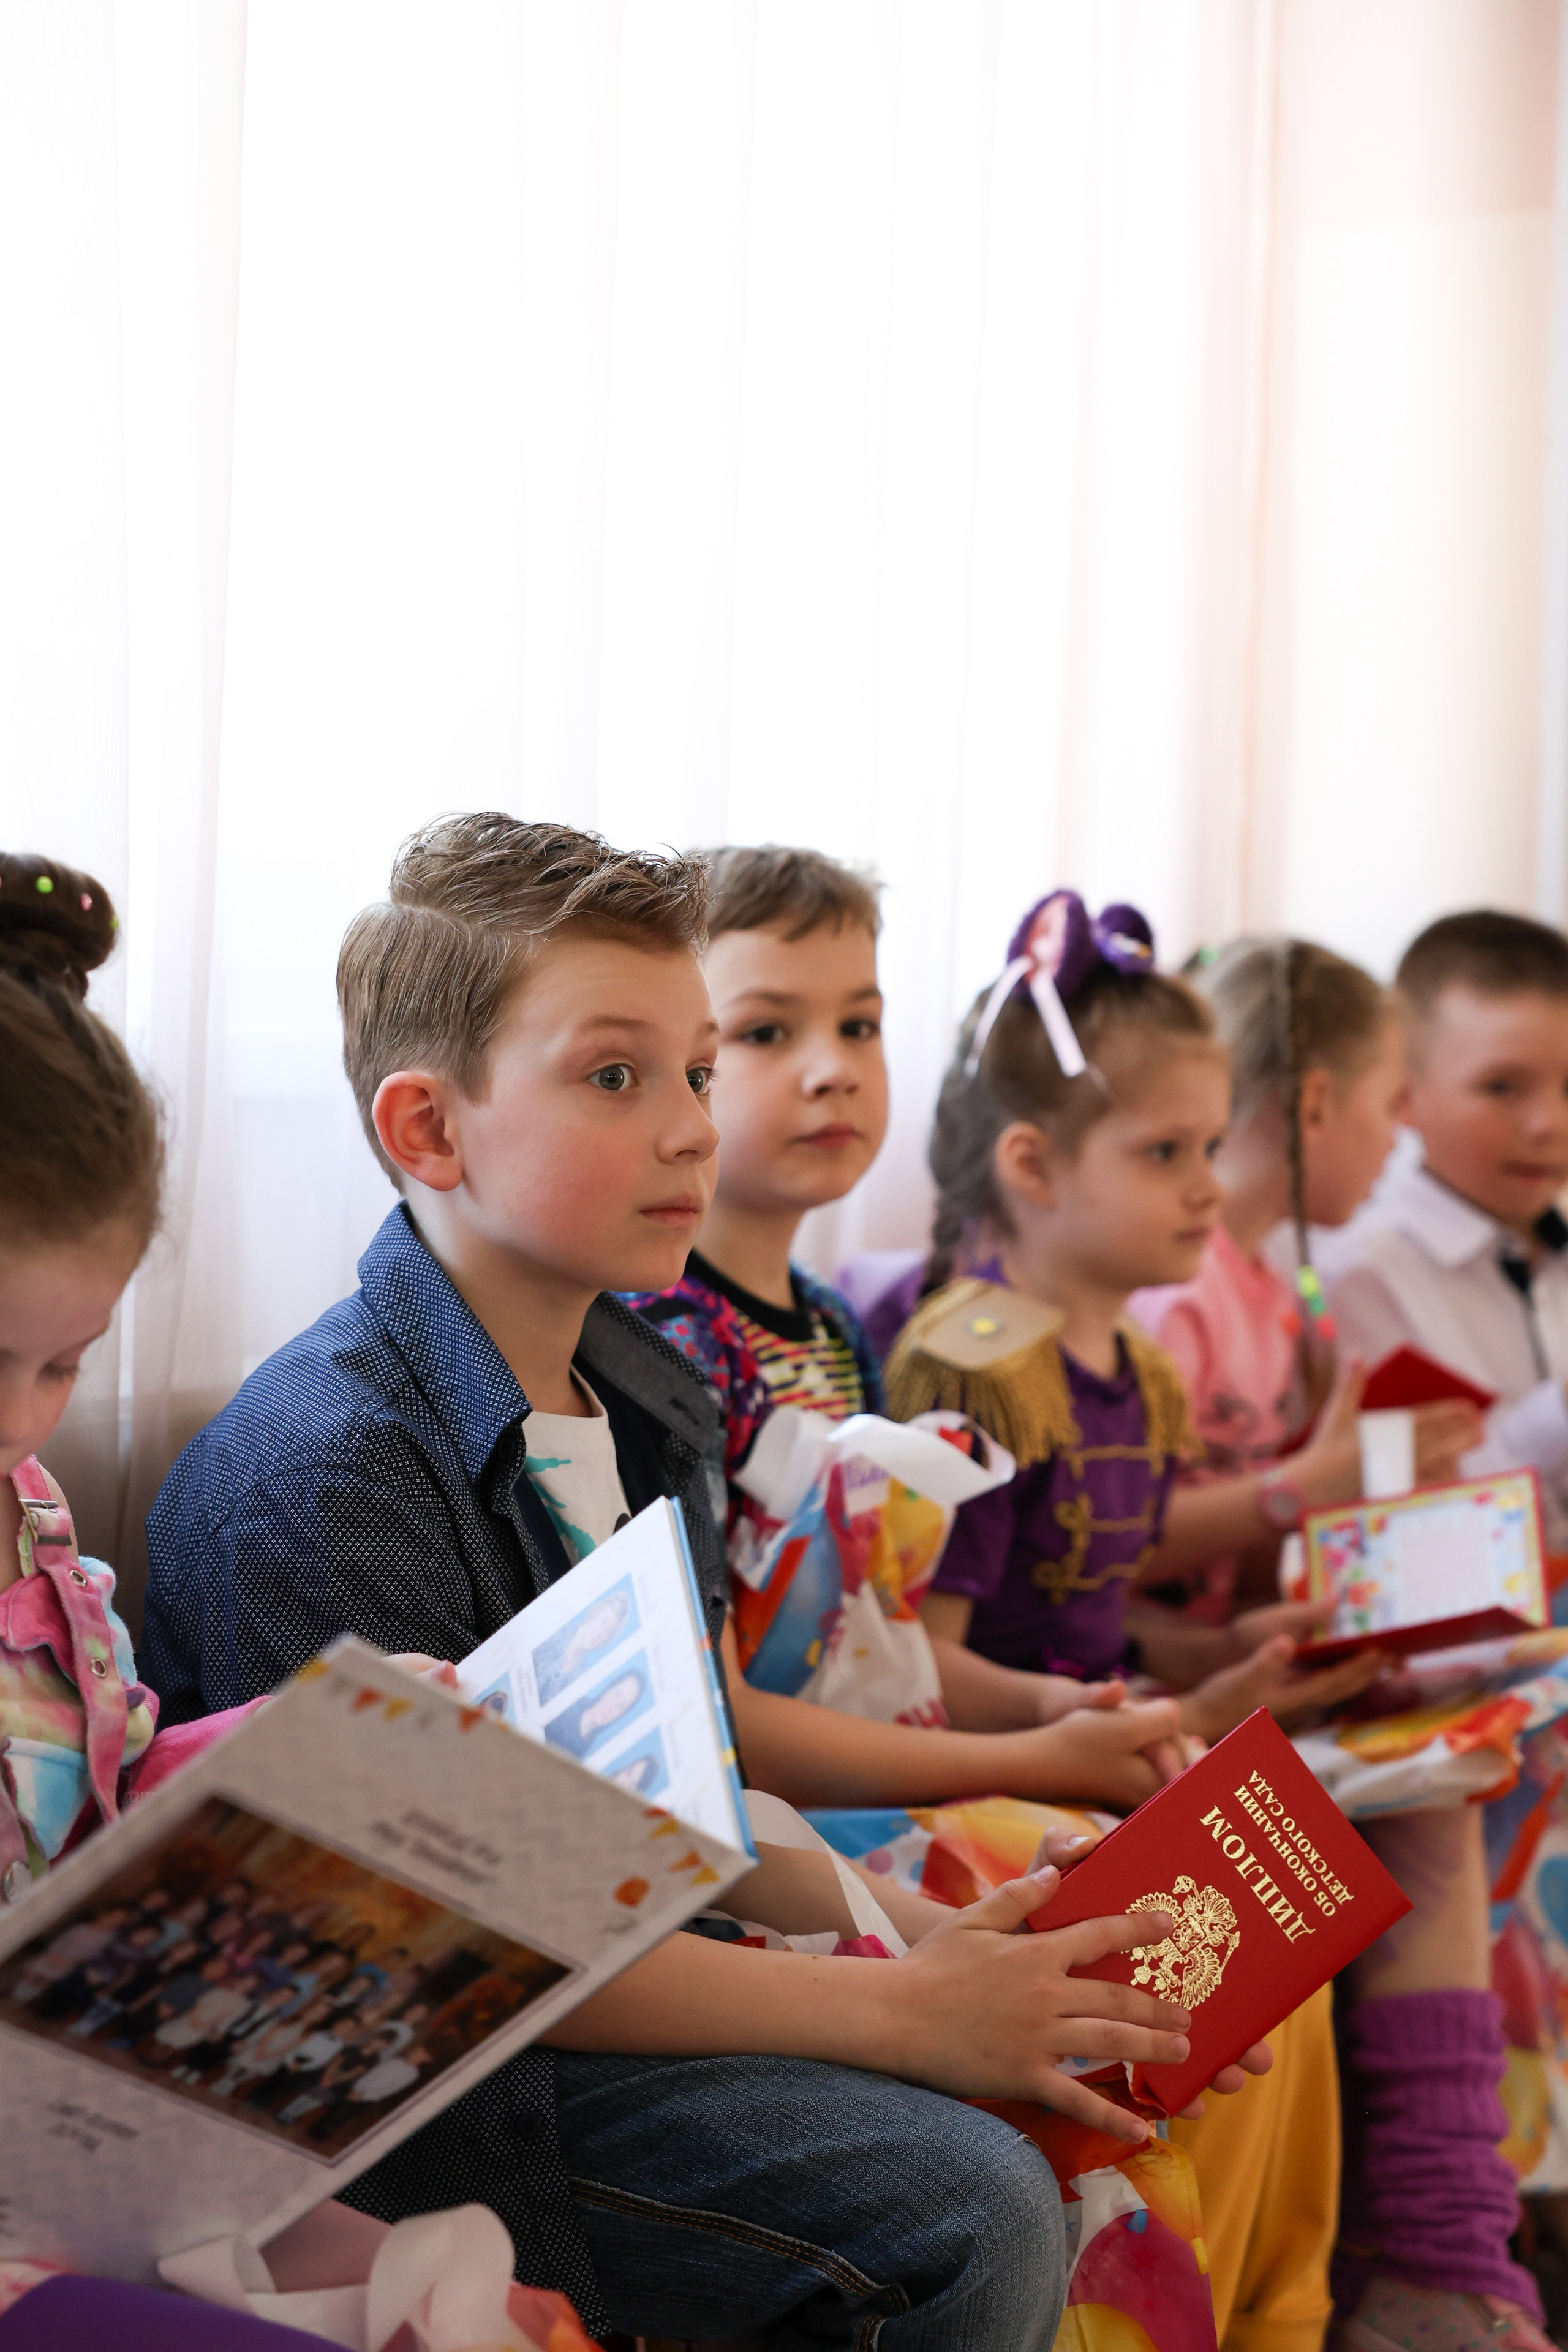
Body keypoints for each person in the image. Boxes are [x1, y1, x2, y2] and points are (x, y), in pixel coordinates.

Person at [142, 813, 1253, 2350]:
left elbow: (676, 1796)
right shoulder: (326, 1481)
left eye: (688, 1069)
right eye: (615, 1076)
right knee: (974, 2201)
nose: (689, 1128)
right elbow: (442, 1953)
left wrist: (924, 1941)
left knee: (1110, 2061)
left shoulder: (645, 1393)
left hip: (632, 1973)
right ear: (429, 1130)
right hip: (453, 2087)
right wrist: (899, 2012)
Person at [880, 891, 1449, 2352]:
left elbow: (1118, 1612)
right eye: (1163, 1153)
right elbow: (919, 1660)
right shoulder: (974, 1365)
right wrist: (1093, 1719)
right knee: (1232, 1968)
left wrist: (1232, 1668)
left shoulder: (1136, 1365)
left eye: (1210, 1147)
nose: (1208, 1185)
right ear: (1029, 1163)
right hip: (989, 1763)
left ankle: (1282, 2311)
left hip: (1101, 1736)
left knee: (1297, 1942)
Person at [1128, 934, 1544, 2351]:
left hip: (1248, 1660)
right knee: (1429, 1804)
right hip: (1167, 1690)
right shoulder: (1177, 1295)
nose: (1396, 1137)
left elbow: (1272, 1528)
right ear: (1313, 1106)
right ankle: (1428, 2254)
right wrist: (1301, 1496)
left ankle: (1435, 2247)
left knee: (1457, 1756)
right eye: (1386, 1101)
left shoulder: (1263, 1291)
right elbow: (1106, 1552)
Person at [630, 843, 1191, 1811]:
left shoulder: (836, 1327)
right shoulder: (665, 1342)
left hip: (876, 1778)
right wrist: (1033, 1757)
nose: (833, 1070)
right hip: (768, 1826)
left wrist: (1052, 1706)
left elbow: (878, 1636)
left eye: (860, 1025)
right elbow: (723, 1727)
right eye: (765, 1032)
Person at [1321, 910, 1568, 1551]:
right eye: (1501, 1087)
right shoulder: (1360, 1275)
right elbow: (1406, 1523)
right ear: (1402, 1093)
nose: (1548, 1123)